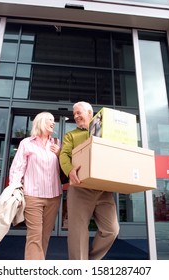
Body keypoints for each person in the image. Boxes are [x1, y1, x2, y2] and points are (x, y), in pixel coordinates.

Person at [59, 101, 119, 260]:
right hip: (80, 187)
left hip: (103, 189)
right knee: (78, 234)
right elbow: (64, 155)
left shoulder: (105, 132)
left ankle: (90, 261)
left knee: (111, 230)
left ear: (90, 113)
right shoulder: (71, 136)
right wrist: (69, 170)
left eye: (79, 112)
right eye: (74, 114)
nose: (76, 116)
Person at [9, 111, 62, 260]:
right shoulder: (27, 143)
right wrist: (15, 190)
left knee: (45, 235)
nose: (53, 123)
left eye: (54, 121)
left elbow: (66, 166)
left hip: (54, 196)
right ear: (40, 122)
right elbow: (17, 168)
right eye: (50, 120)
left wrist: (60, 153)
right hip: (33, 195)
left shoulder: (57, 144)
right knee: (35, 235)